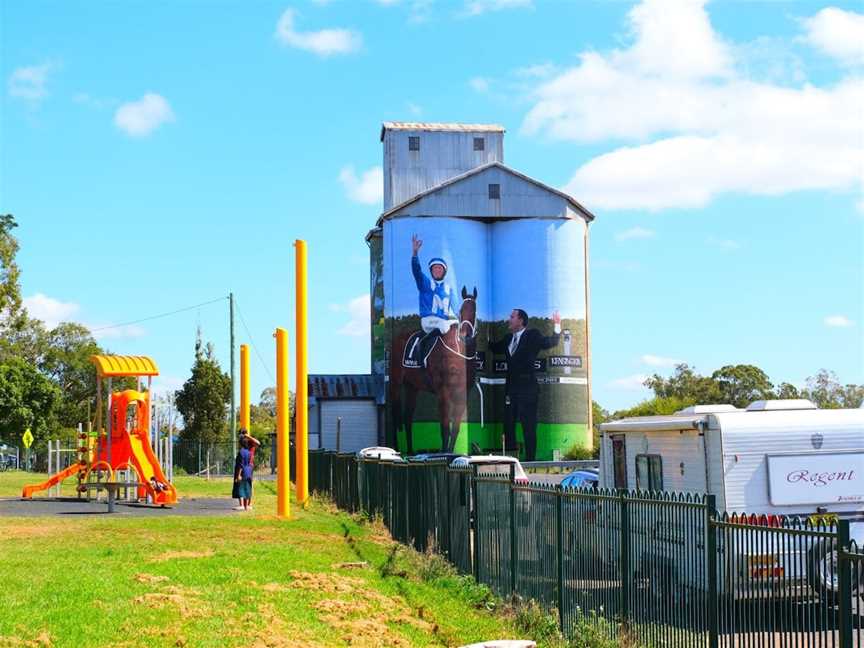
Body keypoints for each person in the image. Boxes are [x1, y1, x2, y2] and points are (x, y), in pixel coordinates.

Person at [489, 309, 561, 461]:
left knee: (528, 427)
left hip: (528, 390)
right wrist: (477, 330)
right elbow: (494, 347)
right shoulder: (509, 338)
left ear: (521, 320)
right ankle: (510, 460)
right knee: (508, 426)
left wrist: (557, 325)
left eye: (512, 317)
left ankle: (530, 461)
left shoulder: (532, 335)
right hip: (511, 391)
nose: (509, 319)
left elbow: (550, 342)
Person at [410, 233, 458, 365]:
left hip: (443, 322)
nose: (437, 270)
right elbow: (417, 272)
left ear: (444, 271)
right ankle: (423, 343)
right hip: (429, 321)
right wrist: (415, 254)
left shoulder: (449, 289)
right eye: (435, 268)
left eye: (440, 268)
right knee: (444, 326)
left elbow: (456, 308)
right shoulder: (425, 283)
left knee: (455, 326)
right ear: (431, 271)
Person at [233, 429, 260, 510]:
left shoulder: (250, 442)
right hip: (245, 464)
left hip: (249, 465)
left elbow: (258, 443)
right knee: (240, 484)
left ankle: (248, 504)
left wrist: (248, 436)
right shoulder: (243, 444)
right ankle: (243, 505)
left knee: (247, 484)